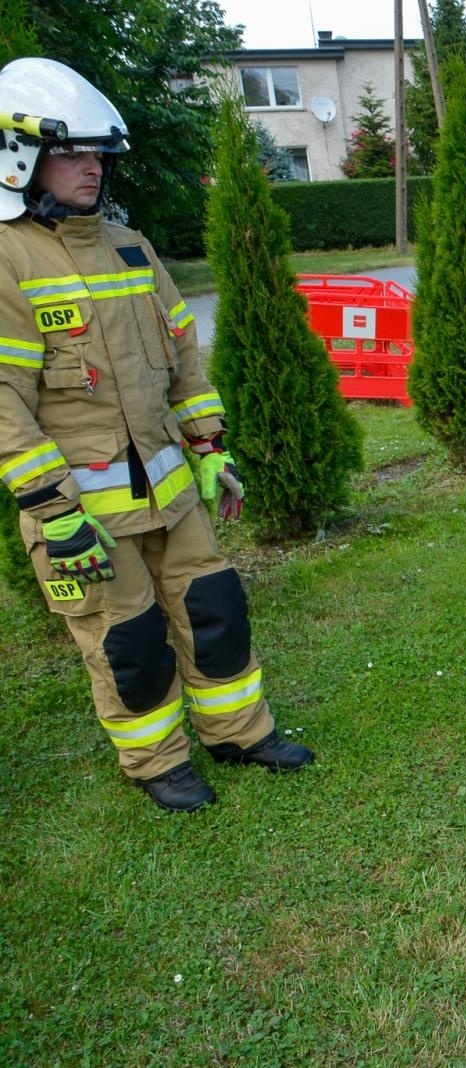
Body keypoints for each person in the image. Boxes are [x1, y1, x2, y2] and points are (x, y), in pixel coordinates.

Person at [0, 58, 312, 812]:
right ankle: (157, 763)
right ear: (18, 157)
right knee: (128, 641)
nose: (92, 167)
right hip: (82, 513)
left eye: (98, 153)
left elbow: (183, 358)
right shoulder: (8, 259)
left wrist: (208, 445)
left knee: (214, 610)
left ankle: (239, 732)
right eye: (72, 152)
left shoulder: (130, 246)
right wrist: (52, 508)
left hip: (171, 493)